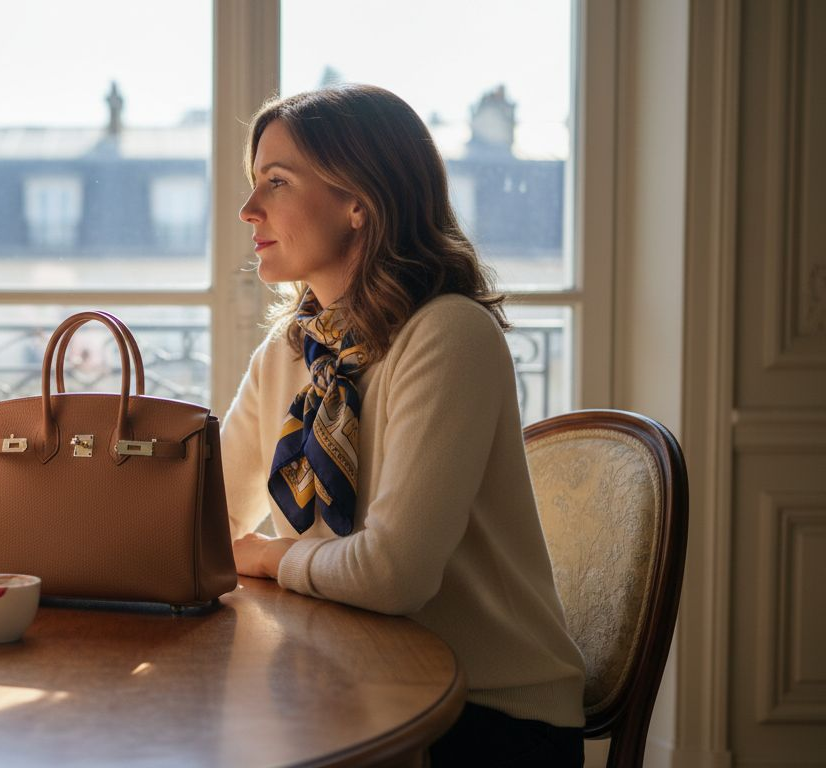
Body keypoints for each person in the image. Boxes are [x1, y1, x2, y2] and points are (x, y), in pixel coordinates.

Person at [222, 84, 586, 766]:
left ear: (358, 201)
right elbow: (208, 521)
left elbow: (394, 575)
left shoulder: (449, 336)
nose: (248, 211)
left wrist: (269, 556)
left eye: (276, 182)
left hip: (489, 712)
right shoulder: (289, 352)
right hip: (350, 675)